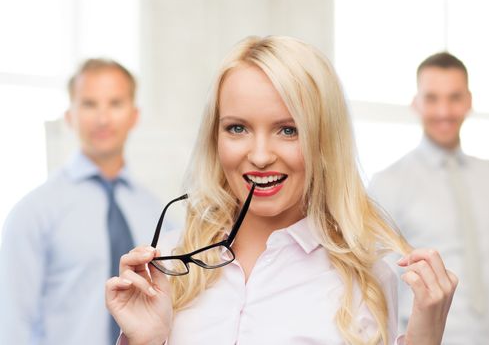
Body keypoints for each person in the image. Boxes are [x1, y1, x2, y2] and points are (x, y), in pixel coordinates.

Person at [105, 36, 457, 345]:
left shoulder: (365, 279)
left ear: (324, 141)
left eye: (288, 130)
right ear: (215, 137)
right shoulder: (168, 259)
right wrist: (145, 342)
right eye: (237, 128)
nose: (259, 156)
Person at [0, 59, 165, 345]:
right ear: (69, 116)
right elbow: (13, 323)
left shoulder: (157, 214)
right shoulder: (33, 212)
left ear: (134, 116)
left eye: (115, 103)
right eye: (89, 104)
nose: (102, 118)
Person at [369, 52, 489, 345]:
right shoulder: (388, 182)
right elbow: (369, 277)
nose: (444, 111)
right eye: (432, 98)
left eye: (454, 97)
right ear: (416, 103)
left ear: (469, 101)